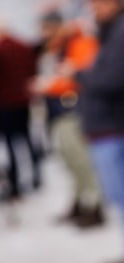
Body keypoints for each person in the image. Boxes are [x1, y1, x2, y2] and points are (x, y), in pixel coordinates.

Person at [34, 12, 104, 227]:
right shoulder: (57, 46)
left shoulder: (79, 41)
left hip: (73, 110)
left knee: (82, 159)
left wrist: (49, 85)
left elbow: (80, 76)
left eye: (47, 28)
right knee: (70, 160)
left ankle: (94, 204)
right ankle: (79, 200)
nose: (45, 33)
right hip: (58, 111)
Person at [78, 0, 124, 263]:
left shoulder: (120, 33)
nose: (93, 9)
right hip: (106, 128)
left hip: (113, 127)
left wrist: (78, 74)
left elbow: (111, 79)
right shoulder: (109, 31)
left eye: (98, 3)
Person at [0, 19, 40, 199]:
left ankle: (15, 182)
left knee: (10, 143)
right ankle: (36, 176)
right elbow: (33, 70)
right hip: (23, 101)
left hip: (5, 103)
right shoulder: (23, 46)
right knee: (27, 139)